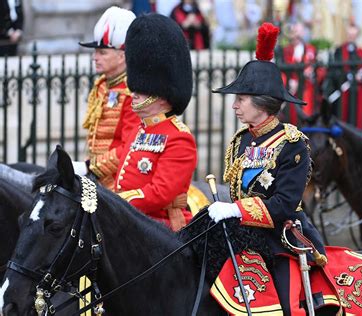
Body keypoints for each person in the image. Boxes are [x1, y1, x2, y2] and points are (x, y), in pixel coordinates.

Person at [210, 22, 327, 315]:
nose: (234, 106)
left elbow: (284, 204)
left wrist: (238, 210)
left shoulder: (292, 143)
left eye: (241, 99)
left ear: (262, 104)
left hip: (280, 240)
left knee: (287, 308)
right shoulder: (241, 140)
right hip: (239, 235)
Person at [115, 13, 196, 231]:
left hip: (161, 228)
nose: (136, 94)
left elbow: (160, 193)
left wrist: (117, 203)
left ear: (161, 95)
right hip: (131, 220)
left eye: (143, 90)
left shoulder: (179, 138)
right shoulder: (139, 130)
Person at [72, 7, 140, 190]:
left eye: (102, 53)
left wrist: (89, 166)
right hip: (98, 176)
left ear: (122, 56)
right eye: (95, 52)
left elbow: (129, 146)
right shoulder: (102, 85)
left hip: (121, 181)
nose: (95, 58)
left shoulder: (133, 91)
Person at [323, 22, 362, 129]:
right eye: (350, 34)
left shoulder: (361, 52)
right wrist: (347, 75)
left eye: (353, 35)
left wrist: (361, 77)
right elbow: (334, 70)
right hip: (344, 91)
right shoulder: (339, 51)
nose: (351, 37)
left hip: (358, 91)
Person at [281, 22, 319, 125]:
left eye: (298, 31)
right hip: (291, 91)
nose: (295, 35)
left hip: (306, 89)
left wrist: (311, 73)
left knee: (305, 117)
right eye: (293, 32)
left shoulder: (310, 49)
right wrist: (289, 82)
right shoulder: (286, 50)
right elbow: (282, 70)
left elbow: (317, 69)